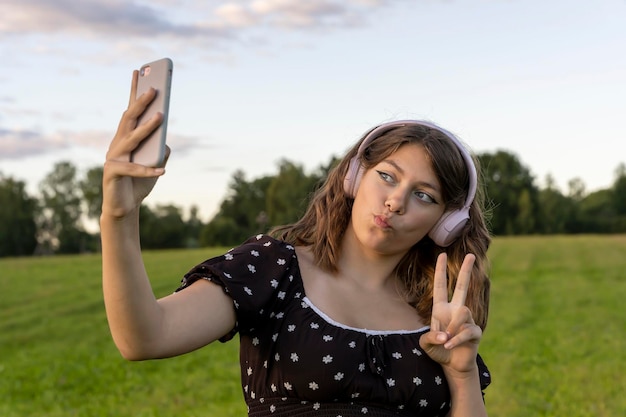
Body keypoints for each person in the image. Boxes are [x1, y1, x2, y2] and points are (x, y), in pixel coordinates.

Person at [101, 71, 492, 417]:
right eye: (387, 176)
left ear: (445, 223)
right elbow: (144, 337)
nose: (396, 202)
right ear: (355, 177)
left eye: (423, 195)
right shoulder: (272, 270)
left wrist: (462, 374)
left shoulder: (437, 316)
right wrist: (119, 216)